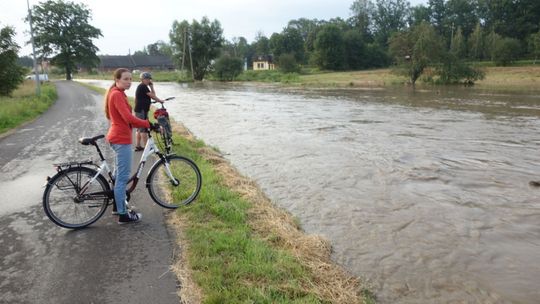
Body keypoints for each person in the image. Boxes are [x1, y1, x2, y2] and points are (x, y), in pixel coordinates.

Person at [104, 68, 158, 224]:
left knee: (117, 175)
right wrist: (147, 123)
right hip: (121, 140)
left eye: (130, 79)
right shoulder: (116, 95)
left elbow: (126, 118)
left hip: (119, 138)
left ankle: (116, 205)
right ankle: (123, 215)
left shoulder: (118, 93)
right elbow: (129, 118)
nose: (129, 82)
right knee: (122, 178)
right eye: (126, 79)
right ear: (117, 80)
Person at [134, 72, 163, 151]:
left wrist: (151, 86)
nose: (148, 80)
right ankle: (147, 147)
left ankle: (138, 145)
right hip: (141, 110)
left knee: (139, 128)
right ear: (142, 79)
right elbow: (153, 96)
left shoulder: (143, 86)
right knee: (143, 128)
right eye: (146, 79)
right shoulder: (143, 86)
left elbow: (152, 95)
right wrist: (160, 101)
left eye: (149, 79)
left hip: (140, 110)